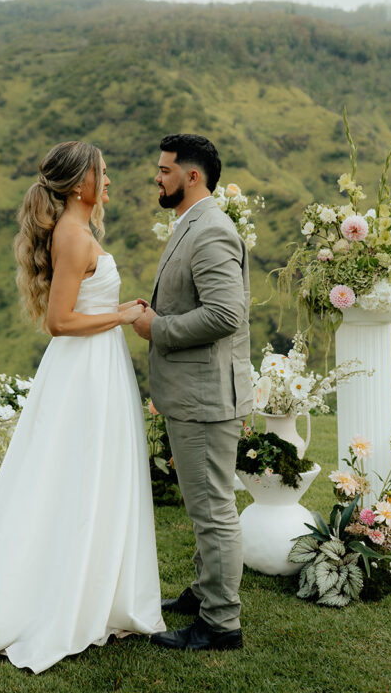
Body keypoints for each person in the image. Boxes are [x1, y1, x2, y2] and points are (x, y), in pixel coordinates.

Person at [0, 141, 164, 672]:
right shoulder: (75, 238)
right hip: (82, 368)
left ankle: (98, 591)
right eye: (101, 175)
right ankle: (65, 599)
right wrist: (123, 315)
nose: (107, 183)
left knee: (92, 475)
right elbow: (60, 321)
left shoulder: (80, 233)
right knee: (76, 475)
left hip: (95, 365)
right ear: (80, 184)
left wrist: (117, 313)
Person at [132, 133, 251, 652]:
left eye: (164, 170)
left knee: (213, 510)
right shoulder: (193, 224)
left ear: (192, 176)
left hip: (206, 397)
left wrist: (157, 328)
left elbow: (226, 314)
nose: (157, 178)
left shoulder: (211, 232)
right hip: (194, 392)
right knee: (206, 503)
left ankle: (221, 623)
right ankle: (205, 594)